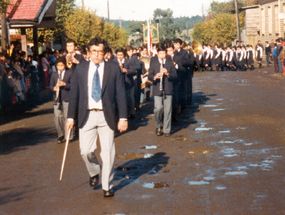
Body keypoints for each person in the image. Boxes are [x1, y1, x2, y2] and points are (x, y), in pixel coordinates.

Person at [66, 37, 128, 197]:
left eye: (100, 51)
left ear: (105, 53)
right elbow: (74, 94)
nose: (96, 55)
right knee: (85, 151)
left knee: (108, 153)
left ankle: (107, 186)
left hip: (106, 115)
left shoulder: (113, 68)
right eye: (93, 51)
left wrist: (123, 117)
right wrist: (70, 117)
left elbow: (121, 94)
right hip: (86, 115)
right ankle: (94, 170)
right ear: (88, 52)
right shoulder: (80, 69)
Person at [148, 43, 177, 137]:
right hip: (157, 89)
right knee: (158, 109)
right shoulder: (154, 63)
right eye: (160, 53)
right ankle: (158, 124)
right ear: (157, 54)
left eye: (163, 53)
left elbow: (175, 76)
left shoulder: (169, 63)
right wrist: (155, 76)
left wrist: (168, 74)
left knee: (168, 110)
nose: (162, 55)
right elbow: (149, 76)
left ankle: (166, 130)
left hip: (168, 89)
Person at [50, 57, 73, 144]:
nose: (60, 67)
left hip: (67, 97)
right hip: (57, 98)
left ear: (65, 65)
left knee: (67, 116)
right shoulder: (54, 74)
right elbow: (50, 85)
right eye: (58, 65)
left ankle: (68, 136)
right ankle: (60, 134)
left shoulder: (69, 73)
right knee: (57, 117)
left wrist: (65, 84)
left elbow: (73, 85)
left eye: (61, 65)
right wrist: (53, 88)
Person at [116, 47, 136, 119]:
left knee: (130, 97)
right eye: (118, 55)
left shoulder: (128, 62)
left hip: (128, 83)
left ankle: (132, 111)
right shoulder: (114, 62)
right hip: (119, 83)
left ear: (124, 55)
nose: (120, 57)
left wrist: (126, 71)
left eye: (121, 55)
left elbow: (134, 71)